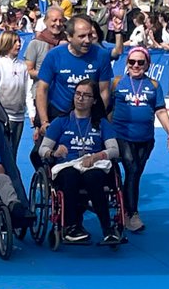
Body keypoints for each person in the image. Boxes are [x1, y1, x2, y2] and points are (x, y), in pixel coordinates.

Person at [38, 78, 122, 245]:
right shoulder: (61, 122)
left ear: (94, 100)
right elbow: (42, 149)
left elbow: (114, 150)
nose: (80, 98)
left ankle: (108, 229)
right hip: (67, 165)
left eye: (86, 95)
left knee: (94, 177)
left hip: (93, 164)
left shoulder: (101, 123)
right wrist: (54, 152)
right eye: (78, 94)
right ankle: (72, 226)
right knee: (71, 176)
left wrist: (97, 156)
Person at [108, 46, 169, 232]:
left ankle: (126, 207)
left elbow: (160, 110)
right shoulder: (117, 83)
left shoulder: (153, 85)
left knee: (134, 174)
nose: (136, 65)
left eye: (140, 62)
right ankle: (133, 213)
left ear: (147, 64)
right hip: (121, 135)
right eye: (132, 62)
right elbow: (107, 109)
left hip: (145, 138)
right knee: (132, 166)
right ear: (127, 63)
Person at [33, 13, 112, 129]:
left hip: (88, 117)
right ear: (69, 37)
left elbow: (104, 91)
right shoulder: (54, 55)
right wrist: (44, 122)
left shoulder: (102, 55)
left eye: (90, 35)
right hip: (58, 114)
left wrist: (96, 118)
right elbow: (42, 89)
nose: (87, 40)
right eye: (82, 36)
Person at [0, 30, 31, 154]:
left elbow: (28, 91)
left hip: (19, 117)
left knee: (13, 151)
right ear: (6, 44)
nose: (19, 44)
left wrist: (31, 113)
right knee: (2, 151)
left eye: (19, 41)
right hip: (3, 117)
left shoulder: (23, 66)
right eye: (14, 42)